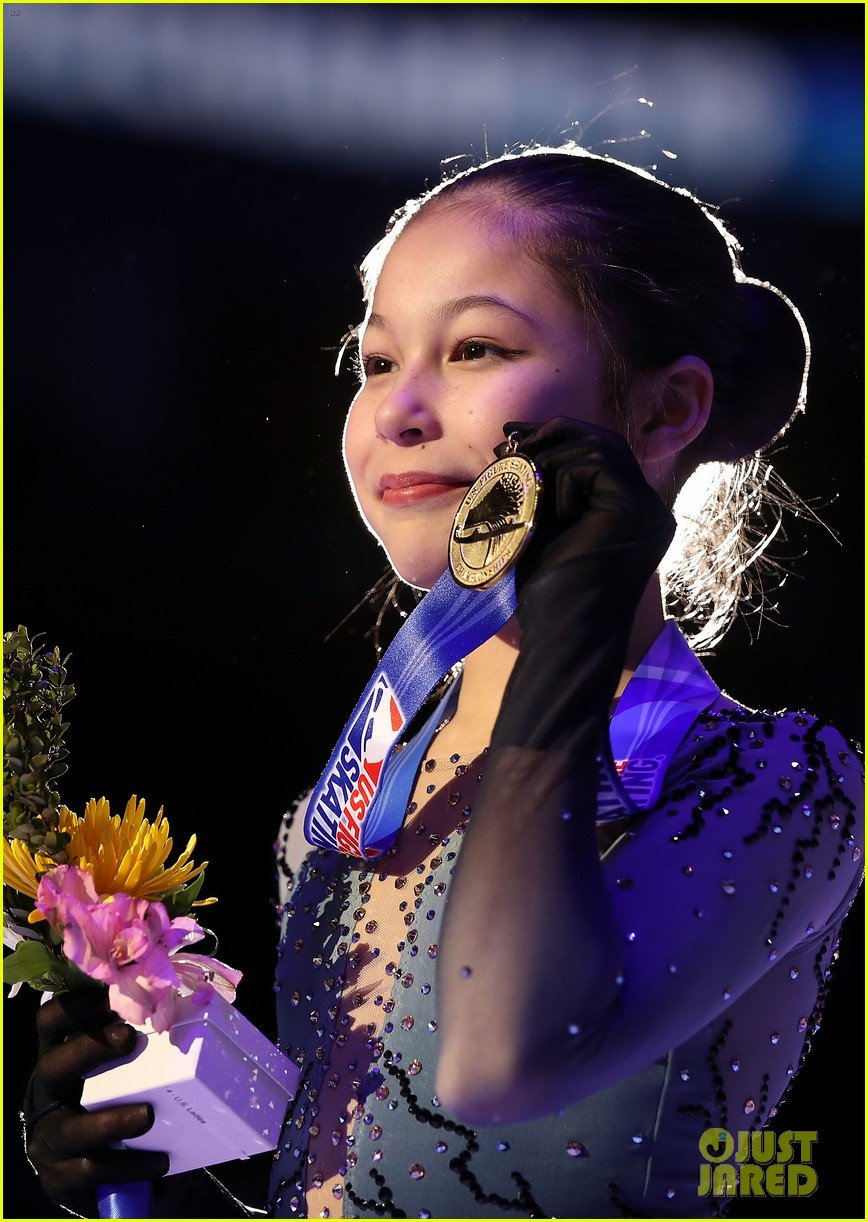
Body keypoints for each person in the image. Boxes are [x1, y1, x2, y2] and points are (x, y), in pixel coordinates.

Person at [22, 145, 863, 1219]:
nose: (400, 410)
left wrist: (569, 627)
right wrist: (155, 1174)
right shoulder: (347, 799)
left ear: (665, 412)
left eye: (474, 347)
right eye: (374, 362)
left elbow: (497, 1062)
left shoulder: (783, 783)